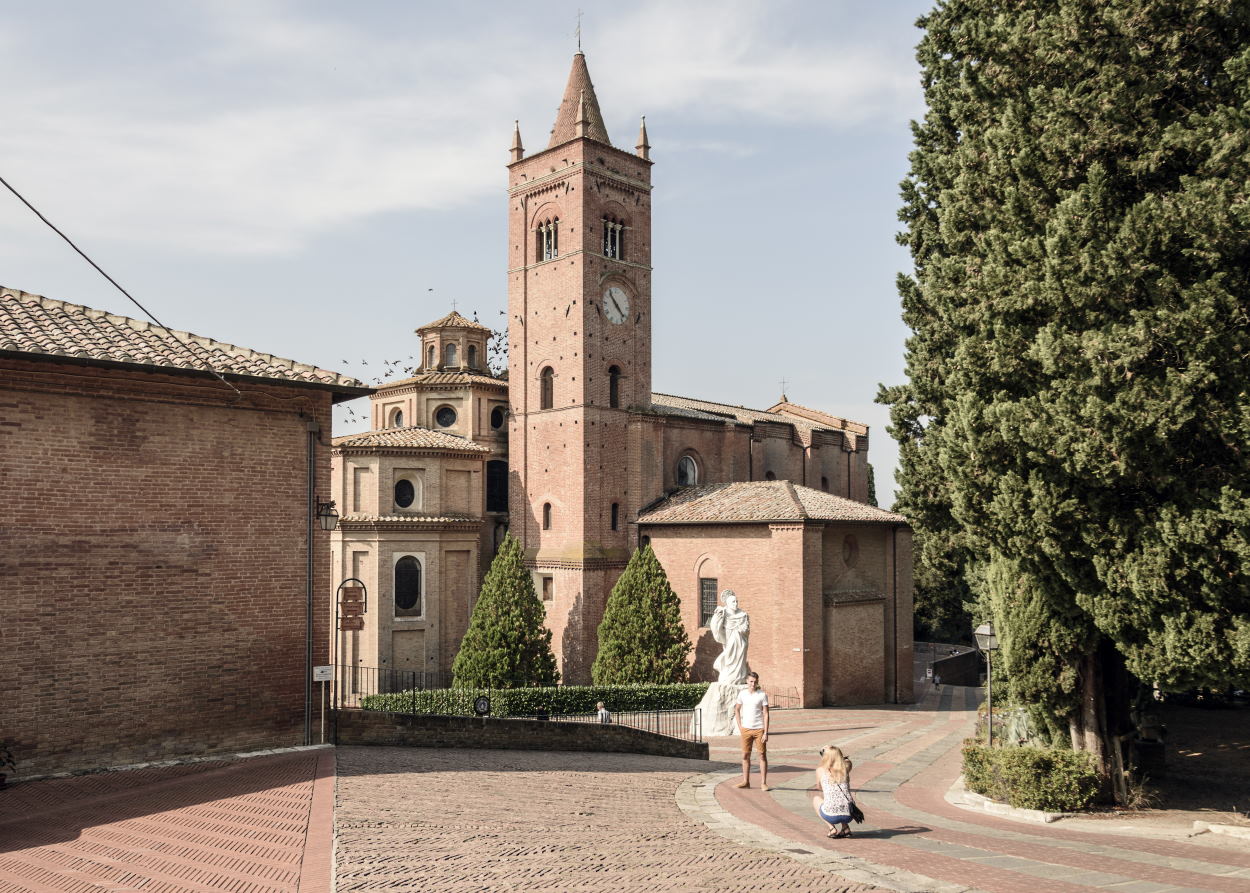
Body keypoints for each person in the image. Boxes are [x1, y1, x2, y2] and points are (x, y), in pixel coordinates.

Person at [733, 671, 769, 790]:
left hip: (759, 729)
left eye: (755, 681)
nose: (753, 684)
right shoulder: (742, 694)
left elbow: (766, 713)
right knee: (745, 755)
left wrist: (765, 732)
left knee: (762, 755)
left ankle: (763, 783)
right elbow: (737, 710)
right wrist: (740, 726)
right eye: (751, 681)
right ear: (747, 681)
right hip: (746, 729)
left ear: (757, 682)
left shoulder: (762, 695)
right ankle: (745, 781)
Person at [811, 744, 856, 839]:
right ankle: (845, 828)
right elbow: (847, 761)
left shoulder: (820, 770)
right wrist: (836, 752)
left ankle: (832, 828)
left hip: (831, 816)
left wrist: (825, 750)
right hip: (850, 814)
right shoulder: (845, 768)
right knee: (841, 798)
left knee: (816, 799)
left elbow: (819, 788)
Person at [710, 590, 750, 684]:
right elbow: (715, 625)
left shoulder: (743, 614)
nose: (735, 603)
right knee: (729, 658)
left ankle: (739, 677)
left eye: (737, 601)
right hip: (729, 641)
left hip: (741, 641)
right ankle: (729, 676)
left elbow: (746, 629)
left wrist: (743, 630)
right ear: (727, 603)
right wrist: (717, 616)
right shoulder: (724, 612)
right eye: (733, 602)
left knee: (740, 659)